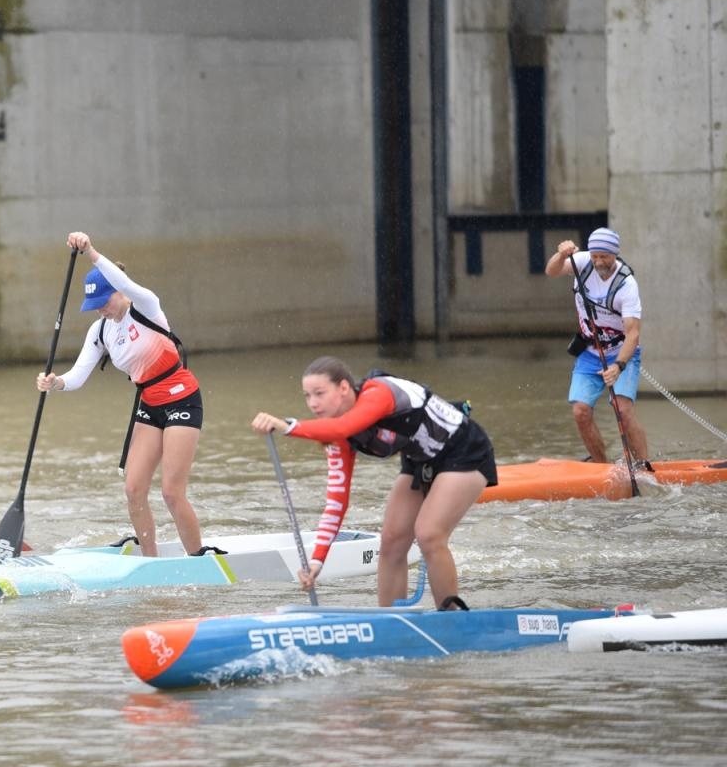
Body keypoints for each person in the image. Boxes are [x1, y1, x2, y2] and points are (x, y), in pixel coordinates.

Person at [251, 357, 496, 610]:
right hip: (419, 463)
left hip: (465, 451)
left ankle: (452, 618)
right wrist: (317, 562)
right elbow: (336, 504)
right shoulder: (338, 439)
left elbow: (342, 426)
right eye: (307, 396)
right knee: (391, 541)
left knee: (429, 534)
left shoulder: (379, 393)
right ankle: (390, 619)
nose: (313, 403)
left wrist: (287, 426)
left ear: (344, 388)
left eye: (320, 393)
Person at [36, 231, 205, 557]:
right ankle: (150, 563)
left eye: (104, 302)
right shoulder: (100, 330)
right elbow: (78, 377)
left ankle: (198, 560)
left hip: (182, 398)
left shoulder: (145, 305)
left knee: (171, 492)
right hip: (150, 404)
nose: (100, 310)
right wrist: (55, 382)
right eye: (93, 306)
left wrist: (91, 251)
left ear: (119, 291)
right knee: (133, 489)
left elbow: (128, 286)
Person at [544, 227, 650, 468]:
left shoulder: (627, 285)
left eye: (605, 256)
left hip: (622, 352)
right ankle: (602, 467)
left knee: (621, 409)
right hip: (590, 353)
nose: (599, 261)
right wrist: (560, 255)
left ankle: (644, 466)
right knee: (580, 412)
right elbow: (551, 271)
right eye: (595, 256)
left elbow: (633, 334)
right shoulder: (581, 262)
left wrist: (618, 365)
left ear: (615, 254)